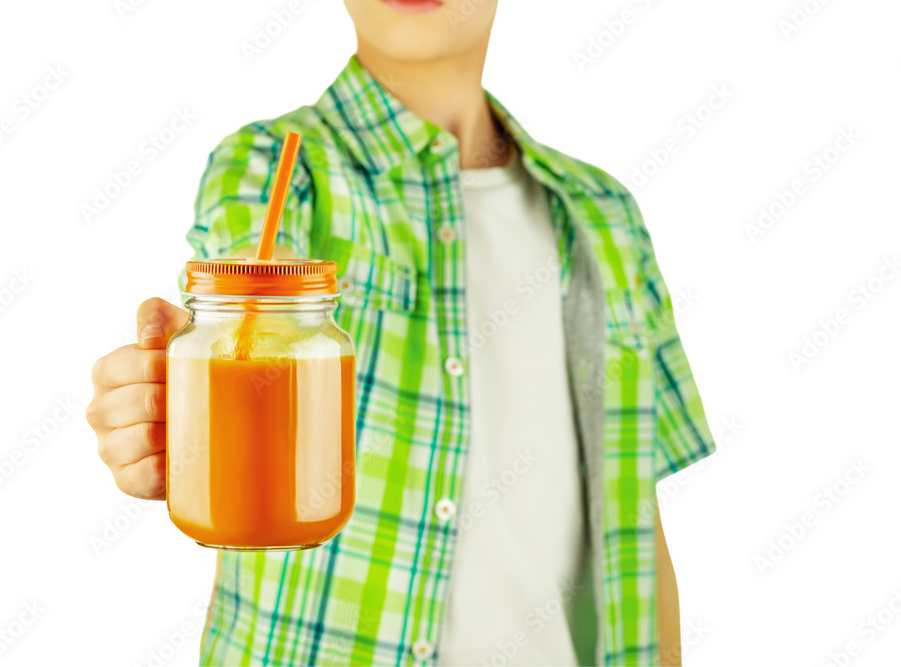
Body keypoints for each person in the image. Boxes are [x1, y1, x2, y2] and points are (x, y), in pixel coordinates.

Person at [85, 0, 715, 664]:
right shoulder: (273, 167)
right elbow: (240, 307)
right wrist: (170, 399)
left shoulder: (607, 213)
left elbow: (636, 518)